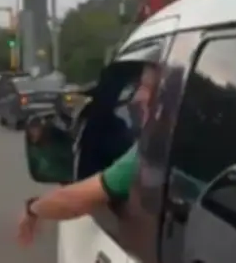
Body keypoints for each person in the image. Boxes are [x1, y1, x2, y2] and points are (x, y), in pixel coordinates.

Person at [16, 64, 160, 248]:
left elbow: (73, 201)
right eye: (139, 86)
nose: (138, 97)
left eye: (148, 87)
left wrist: (32, 208)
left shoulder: (150, 156)